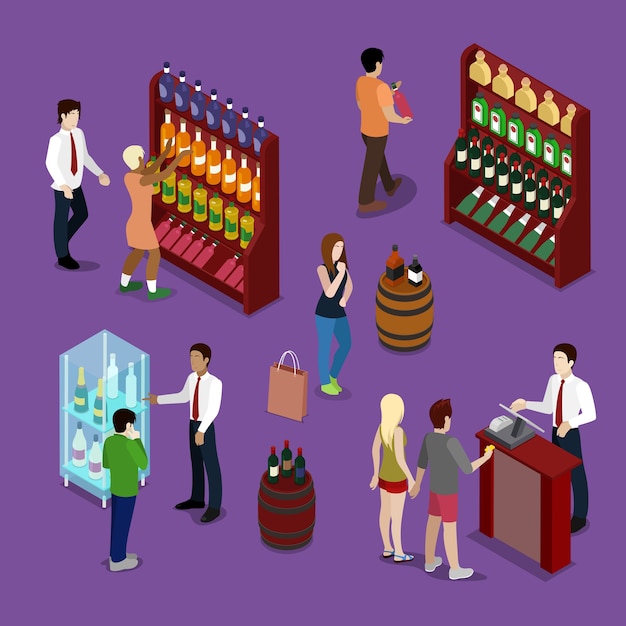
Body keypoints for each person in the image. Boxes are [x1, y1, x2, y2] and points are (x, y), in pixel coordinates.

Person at [511, 343, 596, 533]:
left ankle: (580, 517)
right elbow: (548, 407)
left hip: (570, 434)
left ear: (571, 362)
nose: (556, 362)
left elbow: (591, 414)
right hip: (555, 431)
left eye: (560, 359)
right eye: (554, 358)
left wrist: (570, 423)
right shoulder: (553, 380)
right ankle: (558, 511)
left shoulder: (580, 386)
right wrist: (526, 404)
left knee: (576, 474)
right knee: (556, 474)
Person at [410, 399, 493, 580]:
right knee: (449, 529)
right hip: (448, 492)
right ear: (446, 419)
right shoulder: (451, 442)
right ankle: (455, 568)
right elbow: (467, 468)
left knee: (432, 524)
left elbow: (422, 463)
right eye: (451, 418)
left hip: (434, 490)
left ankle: (429, 561)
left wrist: (417, 484)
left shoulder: (428, 438)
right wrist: (486, 458)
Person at [144, 343, 223, 523]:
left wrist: (202, 430)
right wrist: (158, 400)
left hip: (206, 426)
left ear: (206, 360)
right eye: (190, 357)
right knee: (196, 462)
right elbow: (183, 396)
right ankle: (197, 498)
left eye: (196, 357)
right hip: (192, 424)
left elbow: (213, 409)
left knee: (211, 465)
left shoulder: (215, 383)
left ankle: (215, 506)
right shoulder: (191, 378)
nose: (192, 361)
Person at [119, 139, 190, 300]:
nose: (144, 162)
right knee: (155, 254)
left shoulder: (130, 176)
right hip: (142, 224)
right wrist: (179, 158)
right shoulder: (142, 179)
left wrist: (166, 152)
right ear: (138, 160)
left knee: (137, 253)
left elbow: (152, 169)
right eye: (142, 159)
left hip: (134, 222)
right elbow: (163, 174)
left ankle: (124, 284)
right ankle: (152, 291)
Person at [45, 99, 110, 270]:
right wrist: (63, 185)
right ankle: (63, 256)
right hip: (62, 188)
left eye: (78, 114)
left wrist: (99, 173)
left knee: (82, 214)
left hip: (76, 184)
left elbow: (85, 157)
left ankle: (61, 240)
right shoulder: (56, 140)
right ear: (63, 115)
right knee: (61, 220)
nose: (76, 118)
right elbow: (50, 164)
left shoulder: (79, 134)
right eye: (72, 114)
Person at [356, 48, 412, 213]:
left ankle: (389, 185)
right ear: (378, 64)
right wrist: (403, 121)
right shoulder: (380, 87)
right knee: (371, 167)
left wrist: (392, 88)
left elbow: (361, 104)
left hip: (365, 130)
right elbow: (389, 115)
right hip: (378, 132)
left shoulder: (361, 81)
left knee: (378, 158)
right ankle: (365, 202)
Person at [370, 393, 416, 562]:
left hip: (383, 476)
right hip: (397, 478)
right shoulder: (398, 431)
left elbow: (374, 449)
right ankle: (399, 551)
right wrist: (410, 478)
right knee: (397, 516)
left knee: (384, 512)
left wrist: (375, 473)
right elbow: (400, 458)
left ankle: (387, 547)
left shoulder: (381, 427)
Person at [102, 408, 148, 572]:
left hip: (115, 488)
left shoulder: (109, 441)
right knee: (123, 524)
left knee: (117, 523)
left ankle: (116, 553)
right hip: (128, 490)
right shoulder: (130, 444)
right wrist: (137, 440)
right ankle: (118, 560)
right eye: (131, 425)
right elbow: (144, 463)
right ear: (128, 425)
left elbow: (106, 464)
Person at [315, 233, 353, 396]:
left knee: (346, 344)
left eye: (341, 247)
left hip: (339, 311)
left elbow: (350, 286)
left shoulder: (342, 267)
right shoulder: (322, 269)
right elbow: (329, 292)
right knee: (325, 348)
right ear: (327, 248)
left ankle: (333, 376)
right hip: (324, 312)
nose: (339, 250)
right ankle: (324, 383)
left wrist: (345, 298)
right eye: (336, 247)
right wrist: (339, 274)